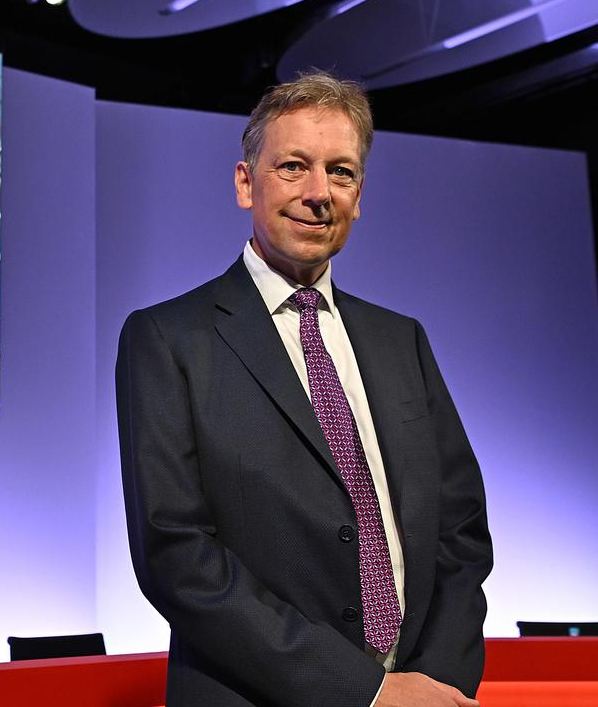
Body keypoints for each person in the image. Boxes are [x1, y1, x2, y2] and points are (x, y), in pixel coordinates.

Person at [115, 71, 492, 707]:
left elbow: (460, 532)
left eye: (341, 172)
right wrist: (365, 693)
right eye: (293, 166)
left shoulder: (403, 341)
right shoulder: (167, 338)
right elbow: (175, 556)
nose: (319, 193)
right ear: (245, 183)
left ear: (360, 195)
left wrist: (436, 685)